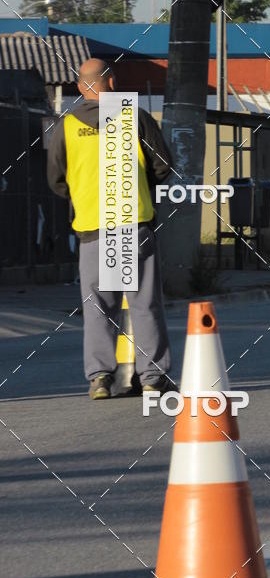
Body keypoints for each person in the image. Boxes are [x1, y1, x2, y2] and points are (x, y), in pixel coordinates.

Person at [48, 58, 176, 399]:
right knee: (144, 304)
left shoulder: (68, 125)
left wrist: (83, 196)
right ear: (113, 83)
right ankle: (152, 378)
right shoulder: (134, 117)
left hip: (93, 229)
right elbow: (163, 166)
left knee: (97, 307)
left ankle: (100, 378)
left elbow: (57, 180)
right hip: (133, 226)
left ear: (80, 87)